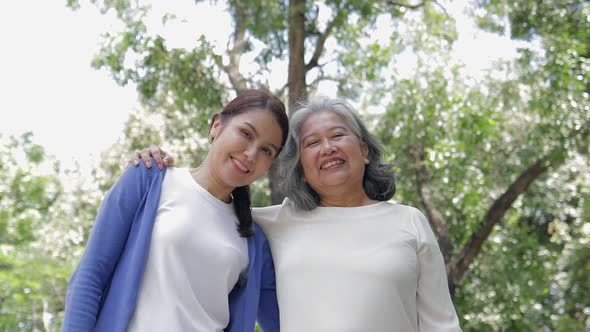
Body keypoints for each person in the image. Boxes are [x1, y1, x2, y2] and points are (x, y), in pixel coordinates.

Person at [133, 96, 462, 331]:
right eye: (312, 143)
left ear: (364, 150)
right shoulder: (271, 224)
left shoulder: (409, 222)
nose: (328, 148)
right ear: (301, 166)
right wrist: (155, 163)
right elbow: (201, 204)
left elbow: (441, 323)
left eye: (337, 135)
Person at [63, 89, 289, 332]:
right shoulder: (149, 179)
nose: (251, 154)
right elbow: (90, 277)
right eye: (245, 133)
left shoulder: (254, 241)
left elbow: (285, 323)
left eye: (267, 150)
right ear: (217, 126)